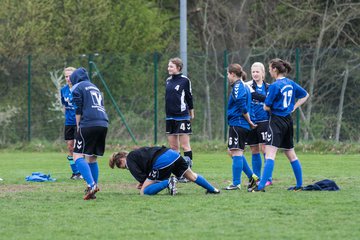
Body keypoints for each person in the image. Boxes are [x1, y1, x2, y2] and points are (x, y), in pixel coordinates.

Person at [250, 58, 309, 192]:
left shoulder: (274, 86)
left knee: (270, 155)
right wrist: (293, 107)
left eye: (270, 68)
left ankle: (260, 187)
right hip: (288, 121)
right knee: (291, 154)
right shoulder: (290, 83)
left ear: (275, 70)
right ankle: (299, 185)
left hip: (276, 122)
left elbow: (266, 107)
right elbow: (305, 95)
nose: (269, 71)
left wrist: (272, 107)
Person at [109, 146, 220, 195]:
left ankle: (168, 182)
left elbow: (142, 178)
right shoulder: (136, 153)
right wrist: (146, 181)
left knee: (144, 192)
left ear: (121, 160)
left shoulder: (129, 160)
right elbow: (148, 172)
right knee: (192, 176)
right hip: (172, 154)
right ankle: (213, 190)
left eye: (122, 166)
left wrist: (143, 184)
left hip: (161, 161)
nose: (126, 168)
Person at [70, 67, 109, 200]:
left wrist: (78, 127)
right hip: (103, 123)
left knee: (77, 155)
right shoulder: (94, 87)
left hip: (88, 123)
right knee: (92, 157)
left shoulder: (77, 87)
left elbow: (78, 108)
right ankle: (93, 187)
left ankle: (91, 185)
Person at [224, 63, 259, 191]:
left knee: (236, 152)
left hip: (238, 122)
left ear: (233, 74)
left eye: (228, 74)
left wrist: (249, 120)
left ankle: (236, 183)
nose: (227, 76)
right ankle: (252, 177)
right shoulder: (244, 85)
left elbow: (241, 104)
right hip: (240, 123)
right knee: (232, 151)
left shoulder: (238, 86)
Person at [165, 57, 194, 182]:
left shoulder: (185, 80)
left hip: (182, 116)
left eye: (171, 66)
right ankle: (179, 173)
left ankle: (189, 173)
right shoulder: (168, 81)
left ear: (178, 68)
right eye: (168, 66)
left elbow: (189, 97)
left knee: (185, 146)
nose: (169, 68)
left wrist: (191, 112)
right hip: (170, 117)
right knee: (173, 147)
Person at [245, 62, 272, 186]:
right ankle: (257, 178)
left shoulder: (269, 87)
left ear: (263, 73)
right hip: (251, 122)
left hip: (265, 121)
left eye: (257, 72)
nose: (255, 74)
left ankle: (268, 178)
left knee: (265, 148)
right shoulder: (247, 85)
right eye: (253, 72)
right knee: (254, 149)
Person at [60, 67, 82, 180]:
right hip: (69, 123)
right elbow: (65, 105)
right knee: (70, 147)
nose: (68, 78)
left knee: (80, 148)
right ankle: (76, 173)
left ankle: (83, 171)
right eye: (66, 76)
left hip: (80, 123)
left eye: (70, 76)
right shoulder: (63, 90)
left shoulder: (79, 88)